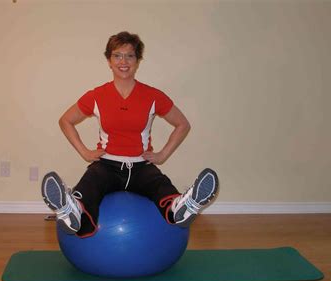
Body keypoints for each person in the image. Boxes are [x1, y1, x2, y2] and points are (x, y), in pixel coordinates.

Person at [41, 31, 219, 238]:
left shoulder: (153, 96)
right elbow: (66, 121)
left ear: (137, 60)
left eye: (130, 55)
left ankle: (182, 207)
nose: (123, 61)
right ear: (109, 60)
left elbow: (182, 124)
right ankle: (72, 210)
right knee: (90, 184)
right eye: (117, 55)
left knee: (160, 185)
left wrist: (162, 155)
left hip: (141, 166)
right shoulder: (97, 96)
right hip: (107, 165)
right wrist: (84, 152)